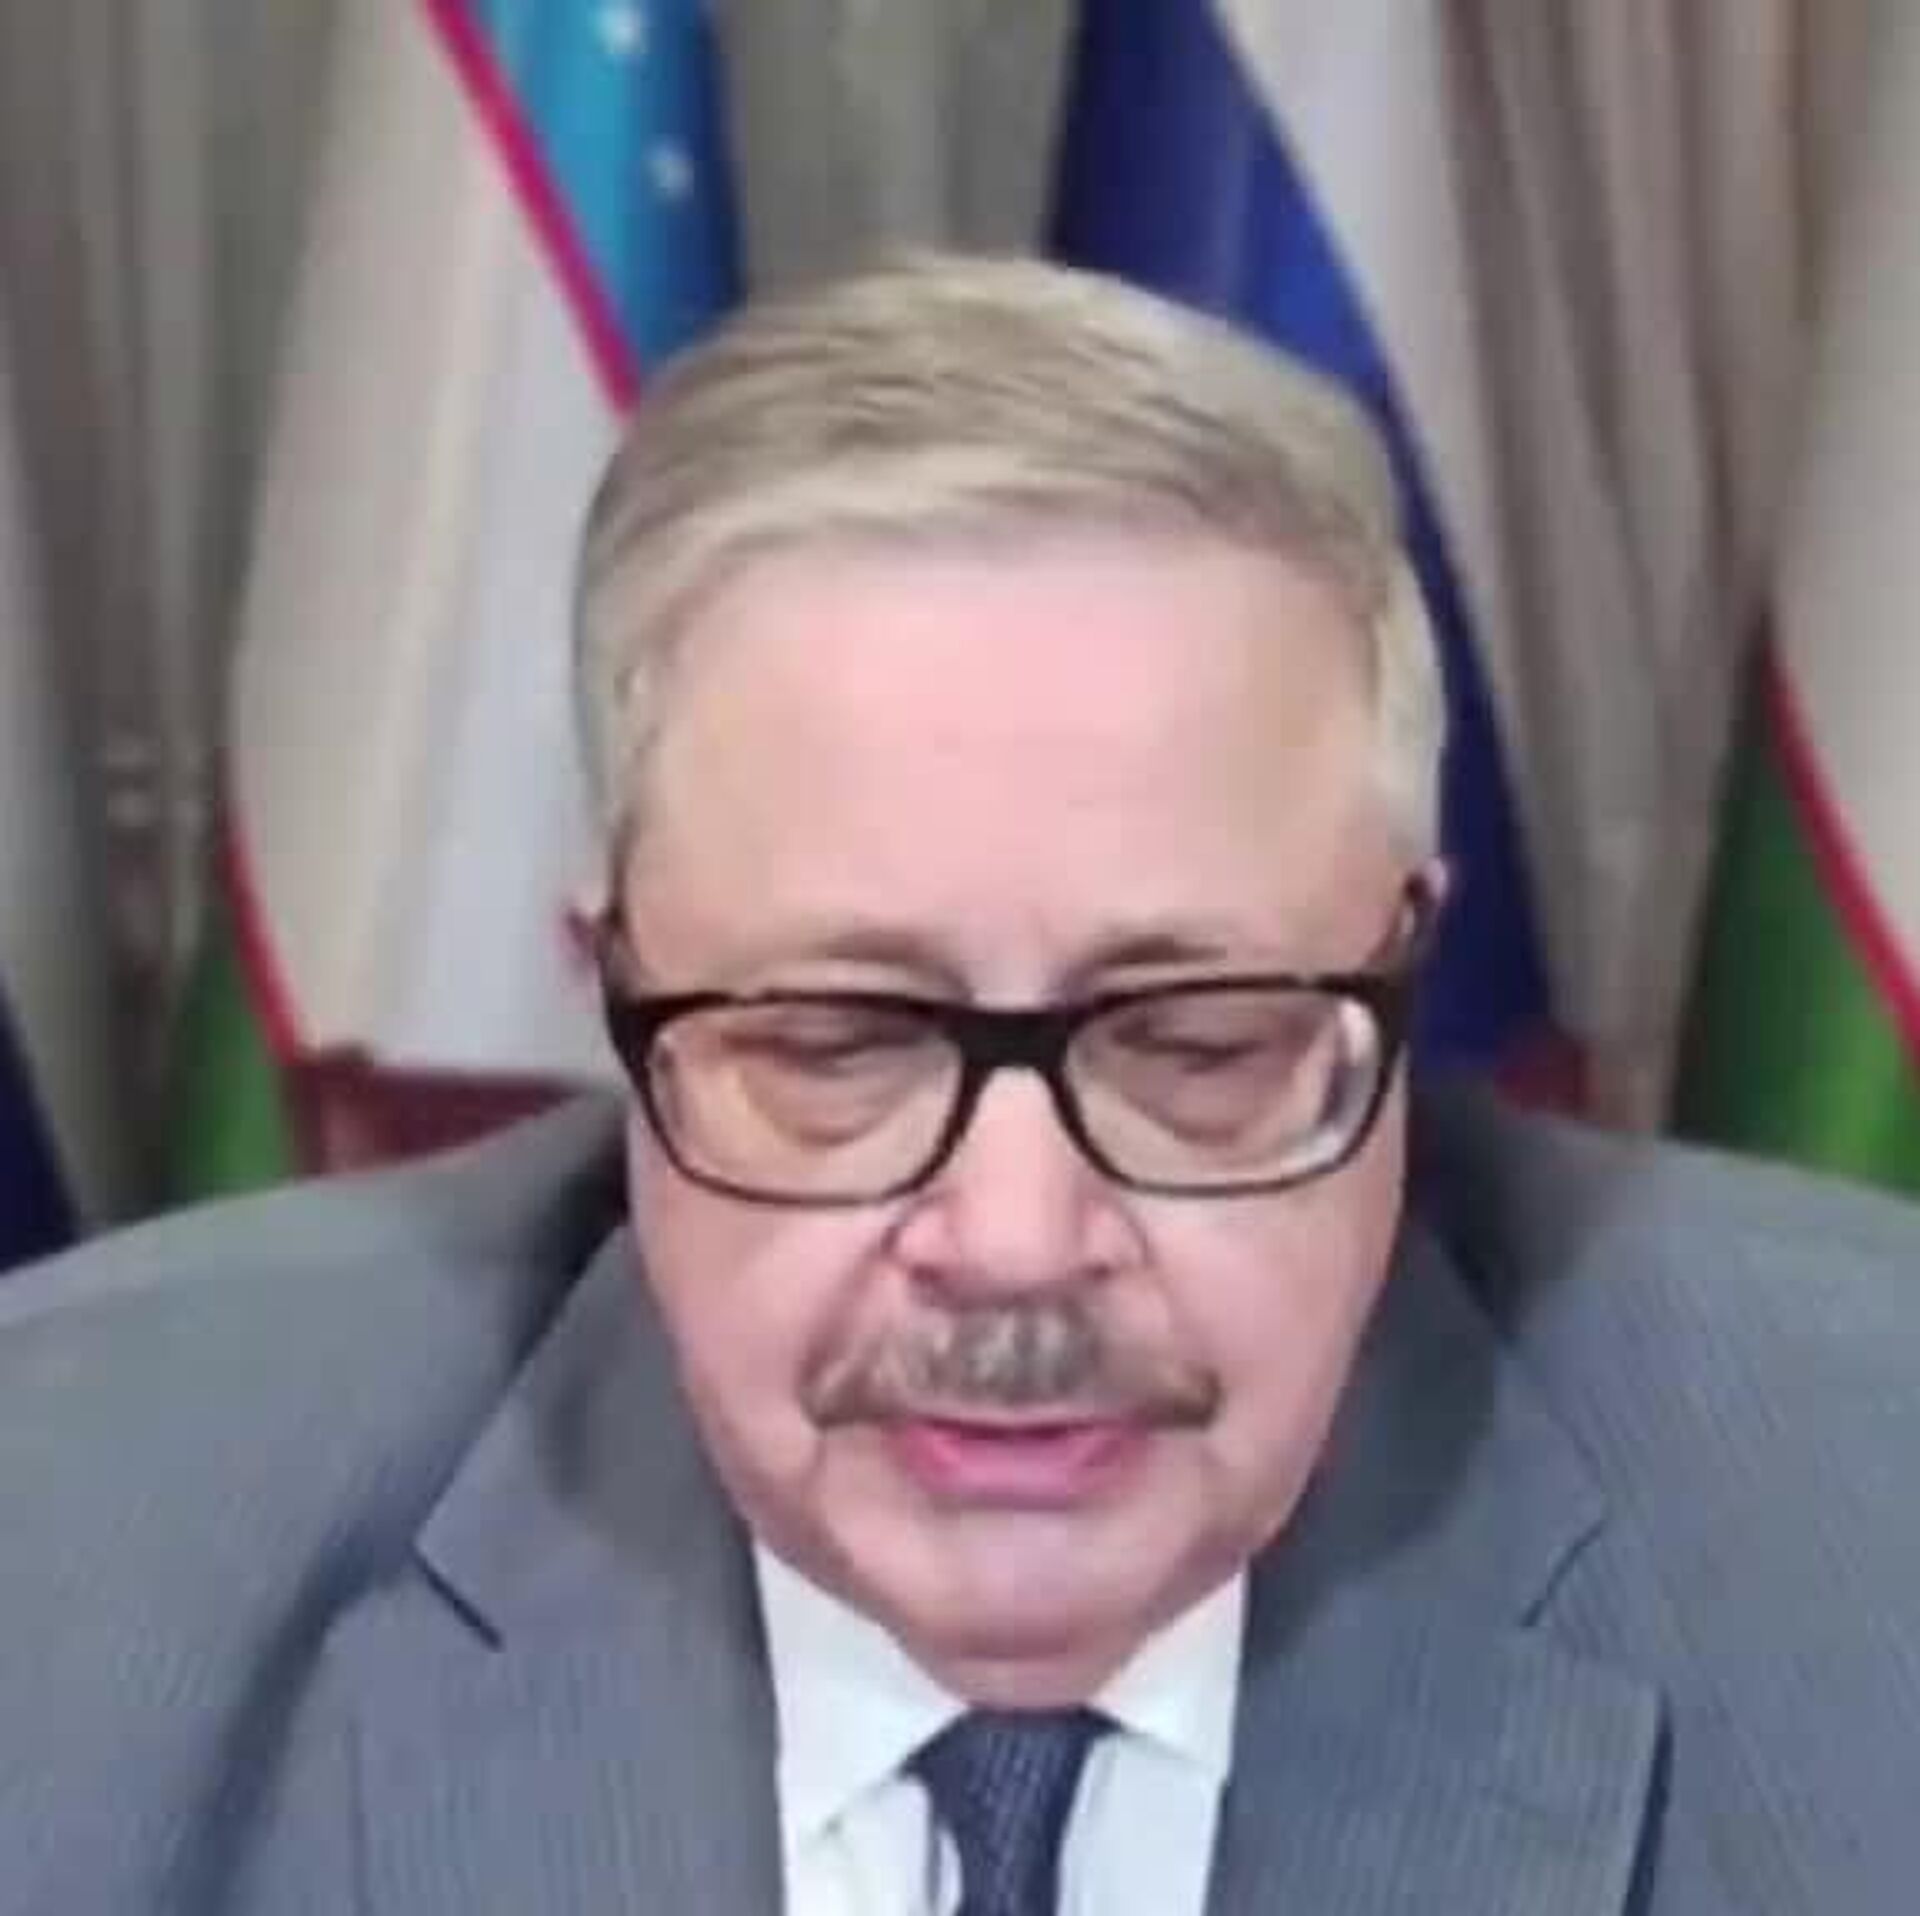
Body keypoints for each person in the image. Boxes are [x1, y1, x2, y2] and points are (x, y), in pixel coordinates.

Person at [4, 255, 1918, 1916]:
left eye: (1195, 1044)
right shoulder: (69, 1566)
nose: (1015, 1240)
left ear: (1406, 974)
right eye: (838, 1047)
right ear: (616, 989)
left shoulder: (1865, 1534)